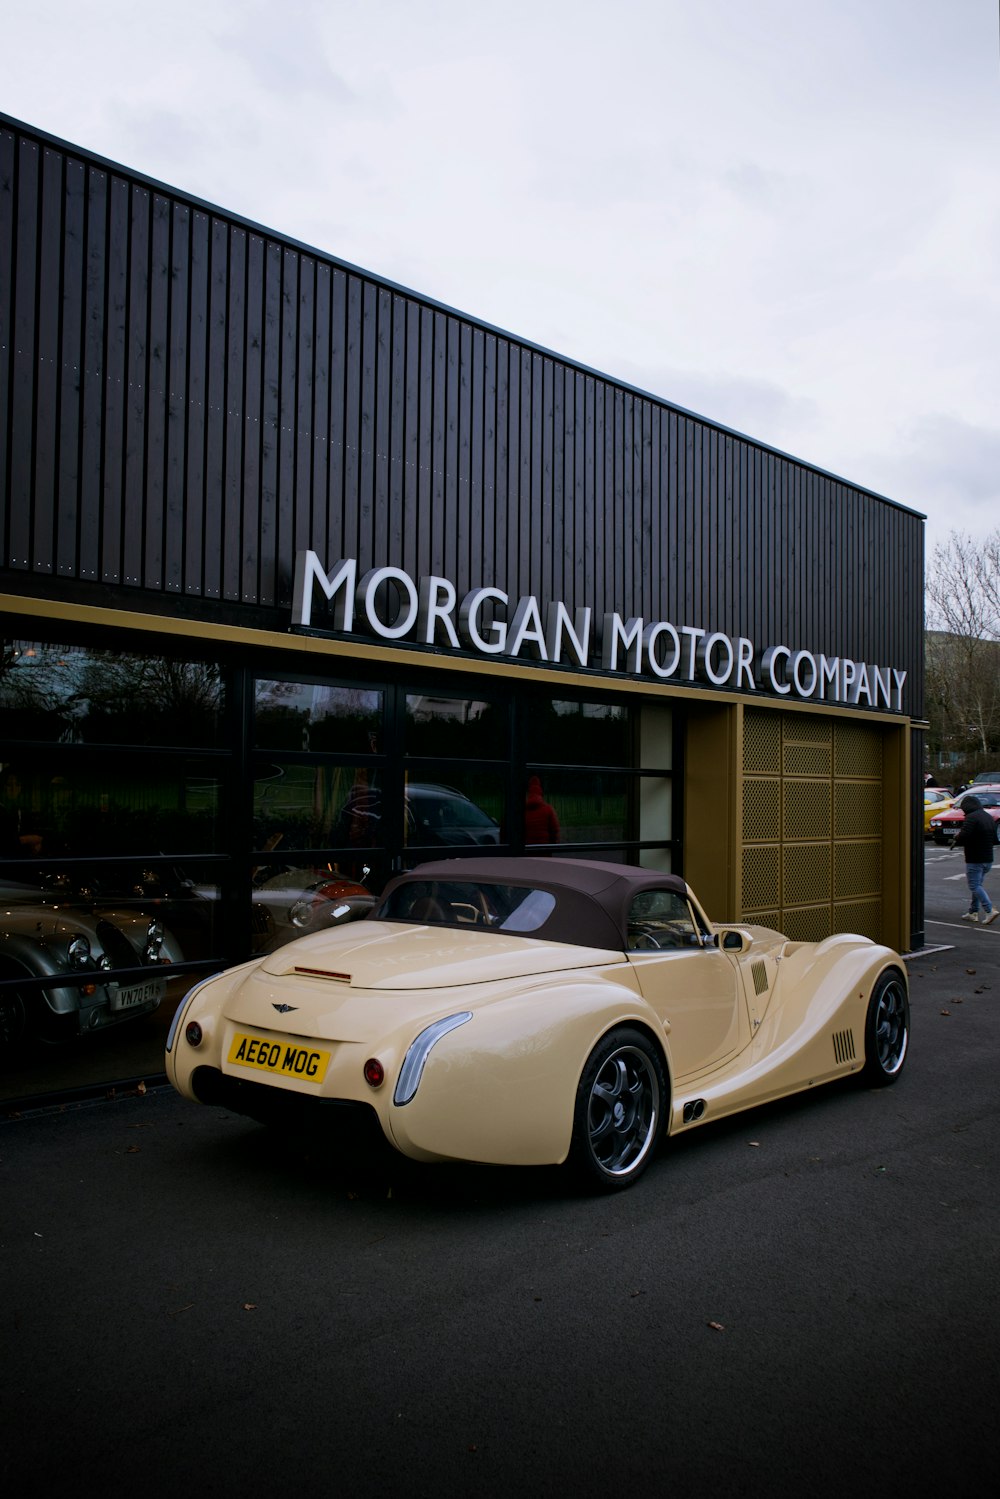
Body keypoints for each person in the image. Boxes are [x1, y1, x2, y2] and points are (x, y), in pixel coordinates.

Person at [955, 795, 998, 925]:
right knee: (978, 885)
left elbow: (964, 835)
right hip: (988, 858)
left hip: (975, 858)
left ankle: (989, 910)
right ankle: (973, 912)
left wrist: (957, 837)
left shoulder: (971, 818)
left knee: (974, 885)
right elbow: (995, 839)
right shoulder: (988, 817)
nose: (963, 812)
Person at [0, 767, 43, 857]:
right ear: (2, 786)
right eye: (9, 785)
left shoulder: (21, 810)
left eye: (17, 784)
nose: (13, 789)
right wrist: (27, 839)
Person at [524, 775, 560, 845]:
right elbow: (555, 831)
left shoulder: (523, 811)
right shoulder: (548, 809)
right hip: (544, 851)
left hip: (528, 852)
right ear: (540, 792)